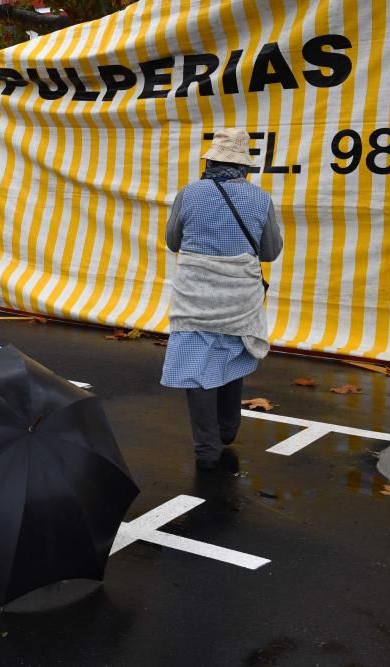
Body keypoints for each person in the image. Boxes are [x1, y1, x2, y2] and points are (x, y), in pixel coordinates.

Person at [160, 128, 283, 471]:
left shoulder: (190, 193)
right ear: (245, 168)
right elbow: (270, 252)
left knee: (195, 369)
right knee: (230, 357)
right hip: (238, 300)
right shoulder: (260, 199)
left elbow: (173, 241)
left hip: (195, 299)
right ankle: (228, 428)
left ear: (210, 161)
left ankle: (206, 449)